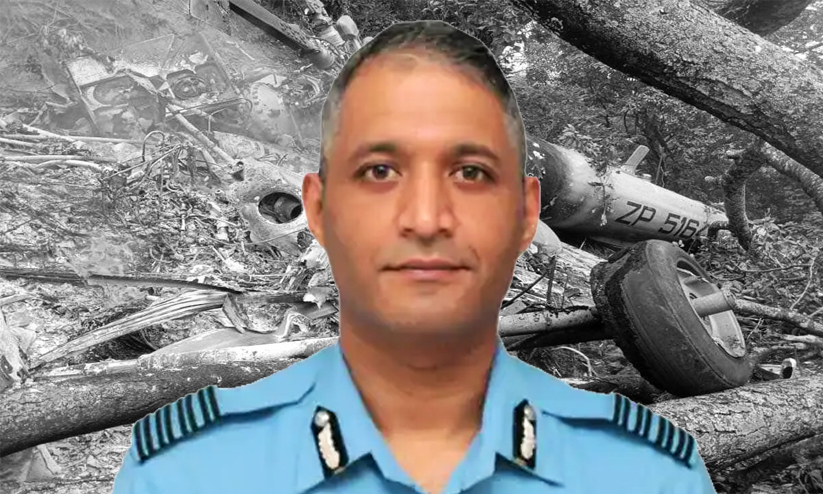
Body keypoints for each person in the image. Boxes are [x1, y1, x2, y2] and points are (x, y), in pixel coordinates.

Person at [111, 20, 717, 494]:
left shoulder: (650, 469)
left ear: (525, 214)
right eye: (380, 172)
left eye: (470, 173)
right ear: (317, 208)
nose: (425, 218)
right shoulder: (184, 464)